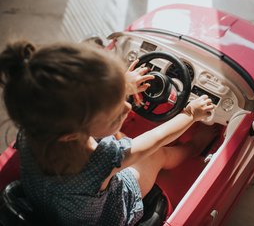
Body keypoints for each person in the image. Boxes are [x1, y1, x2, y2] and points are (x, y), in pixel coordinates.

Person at [0, 40, 217, 225]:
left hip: (49, 205)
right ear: (72, 134)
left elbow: (81, 99)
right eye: (115, 113)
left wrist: (120, 85)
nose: (128, 108)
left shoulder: (32, 130)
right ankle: (194, 147)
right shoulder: (100, 159)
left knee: (117, 138)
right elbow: (154, 140)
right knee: (156, 155)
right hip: (109, 214)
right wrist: (191, 114)